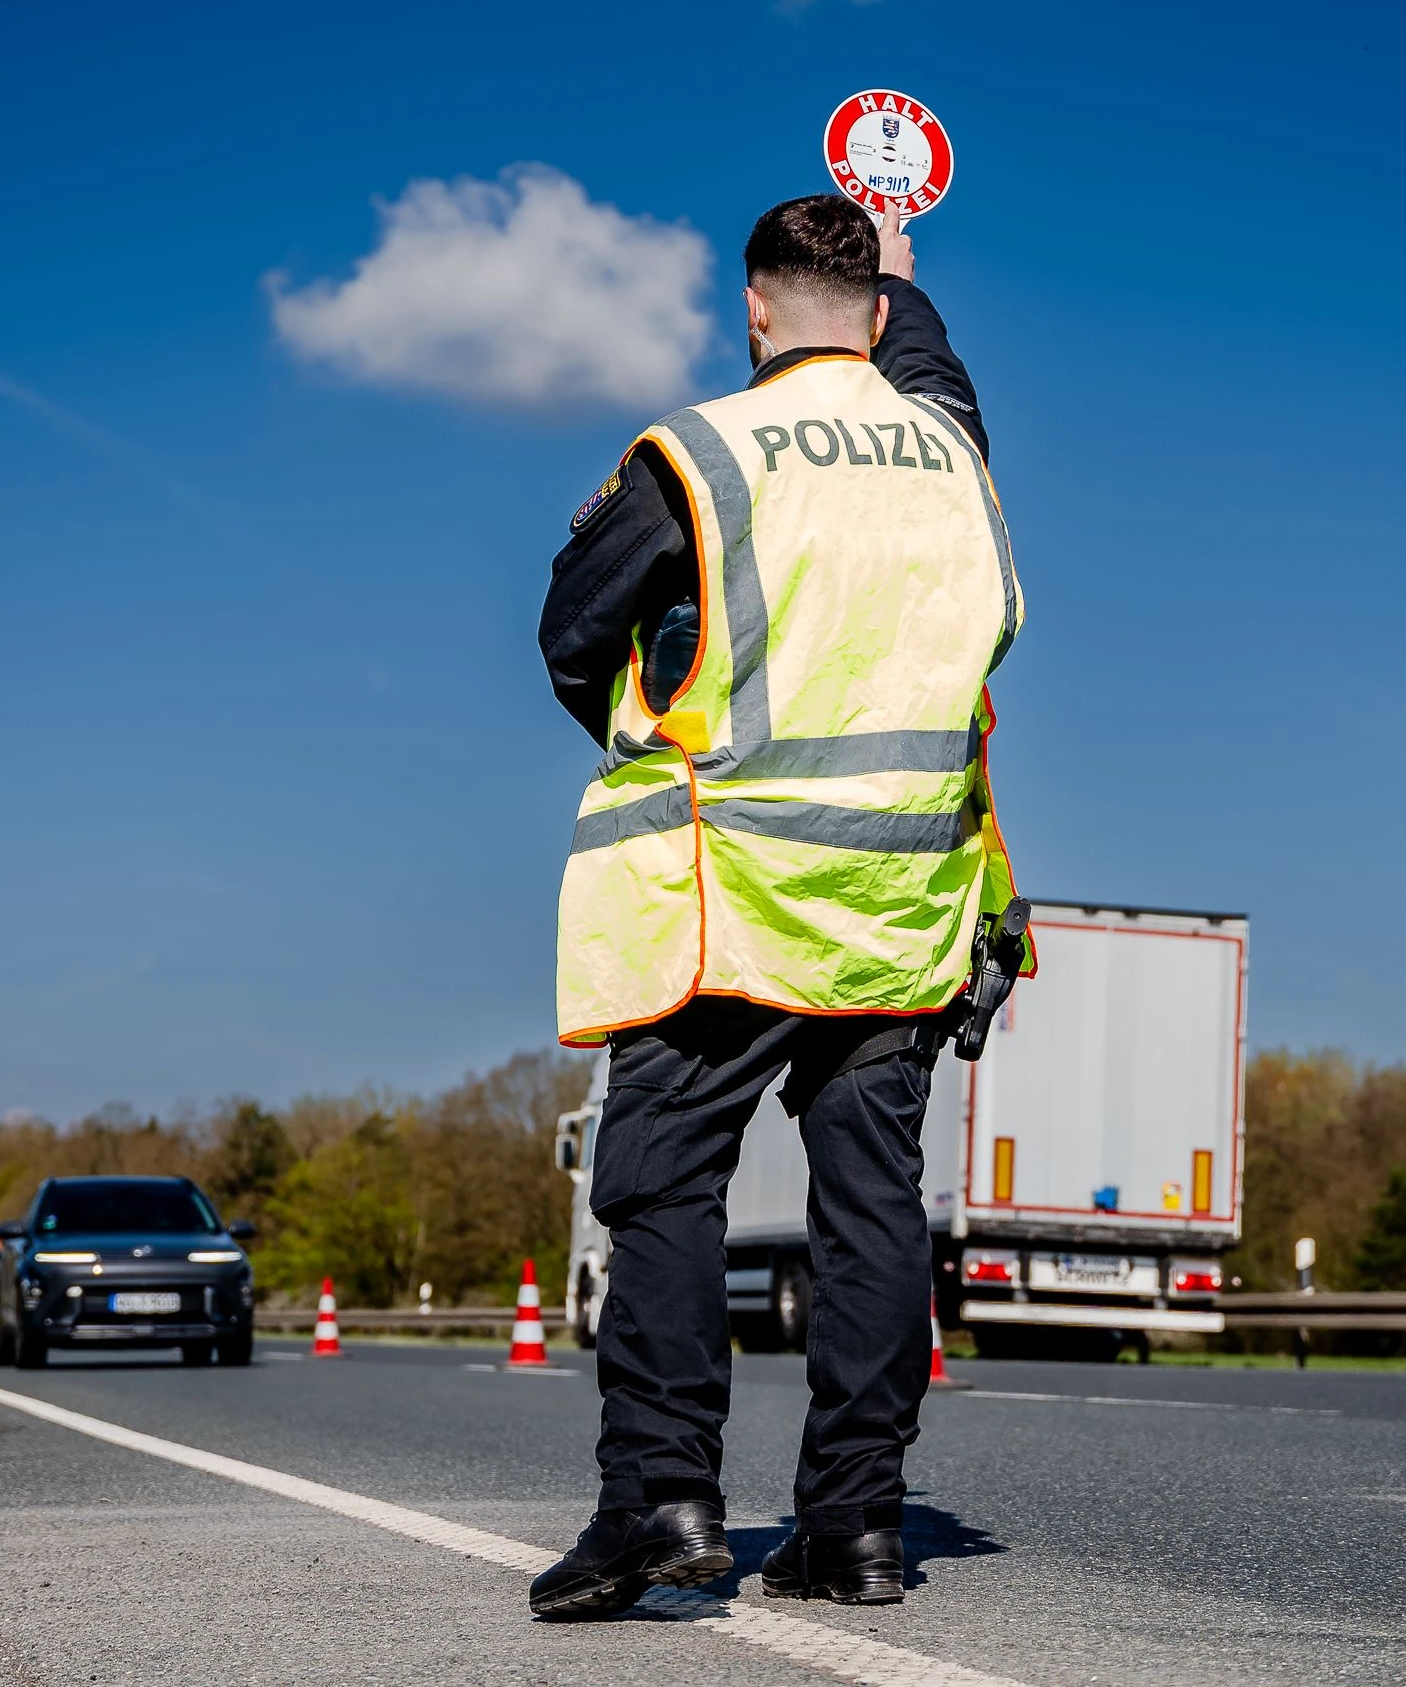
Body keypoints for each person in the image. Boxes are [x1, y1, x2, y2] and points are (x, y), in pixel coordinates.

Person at [529, 195, 1023, 1620]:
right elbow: (939, 388)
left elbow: (572, 631)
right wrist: (911, 293)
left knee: (662, 1180)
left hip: (731, 895)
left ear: (753, 311)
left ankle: (663, 1501)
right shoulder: (955, 462)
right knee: (871, 1212)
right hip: (900, 910)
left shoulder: (704, 451)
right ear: (876, 314)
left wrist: (655, 703)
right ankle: (857, 1528)